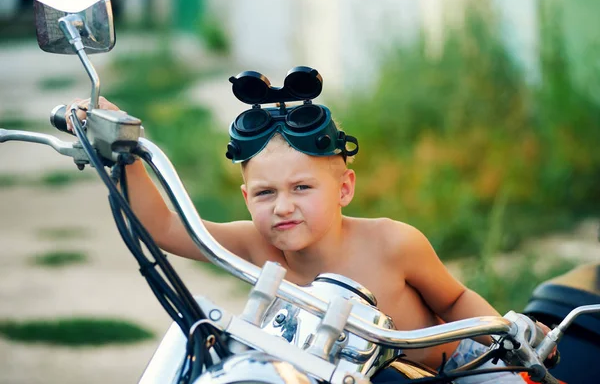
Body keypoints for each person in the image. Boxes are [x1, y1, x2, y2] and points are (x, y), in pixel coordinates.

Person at [66, 95, 553, 383]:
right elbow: (169, 229)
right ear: (244, 195)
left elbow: (456, 297)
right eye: (264, 192)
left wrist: (512, 338)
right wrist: (121, 148)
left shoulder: (392, 242)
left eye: (302, 188)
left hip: (453, 371)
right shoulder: (257, 245)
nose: (282, 206)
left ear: (344, 188)